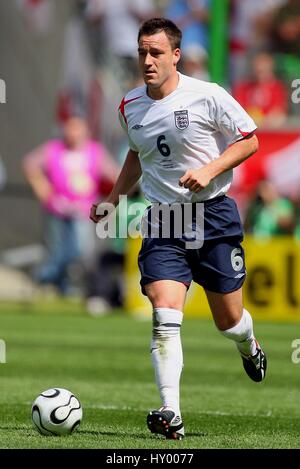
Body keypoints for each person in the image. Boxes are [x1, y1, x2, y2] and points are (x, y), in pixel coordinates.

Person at [90, 18, 267, 440]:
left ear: (175, 55)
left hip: (213, 216)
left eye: (155, 52)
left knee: (229, 320)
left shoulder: (207, 95)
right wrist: (114, 198)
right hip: (164, 220)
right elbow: (137, 153)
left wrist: (208, 169)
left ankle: (249, 345)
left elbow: (249, 139)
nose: (147, 61)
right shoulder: (129, 104)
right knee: (165, 313)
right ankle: (171, 411)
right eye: (141, 52)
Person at [23, 114, 118, 296]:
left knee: (82, 250)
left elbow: (114, 173)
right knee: (56, 250)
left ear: (85, 131)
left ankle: (69, 284)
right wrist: (41, 187)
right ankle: (51, 284)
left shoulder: (94, 152)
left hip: (83, 211)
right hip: (57, 209)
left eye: (77, 128)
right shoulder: (54, 149)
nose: (73, 133)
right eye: (70, 128)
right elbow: (30, 164)